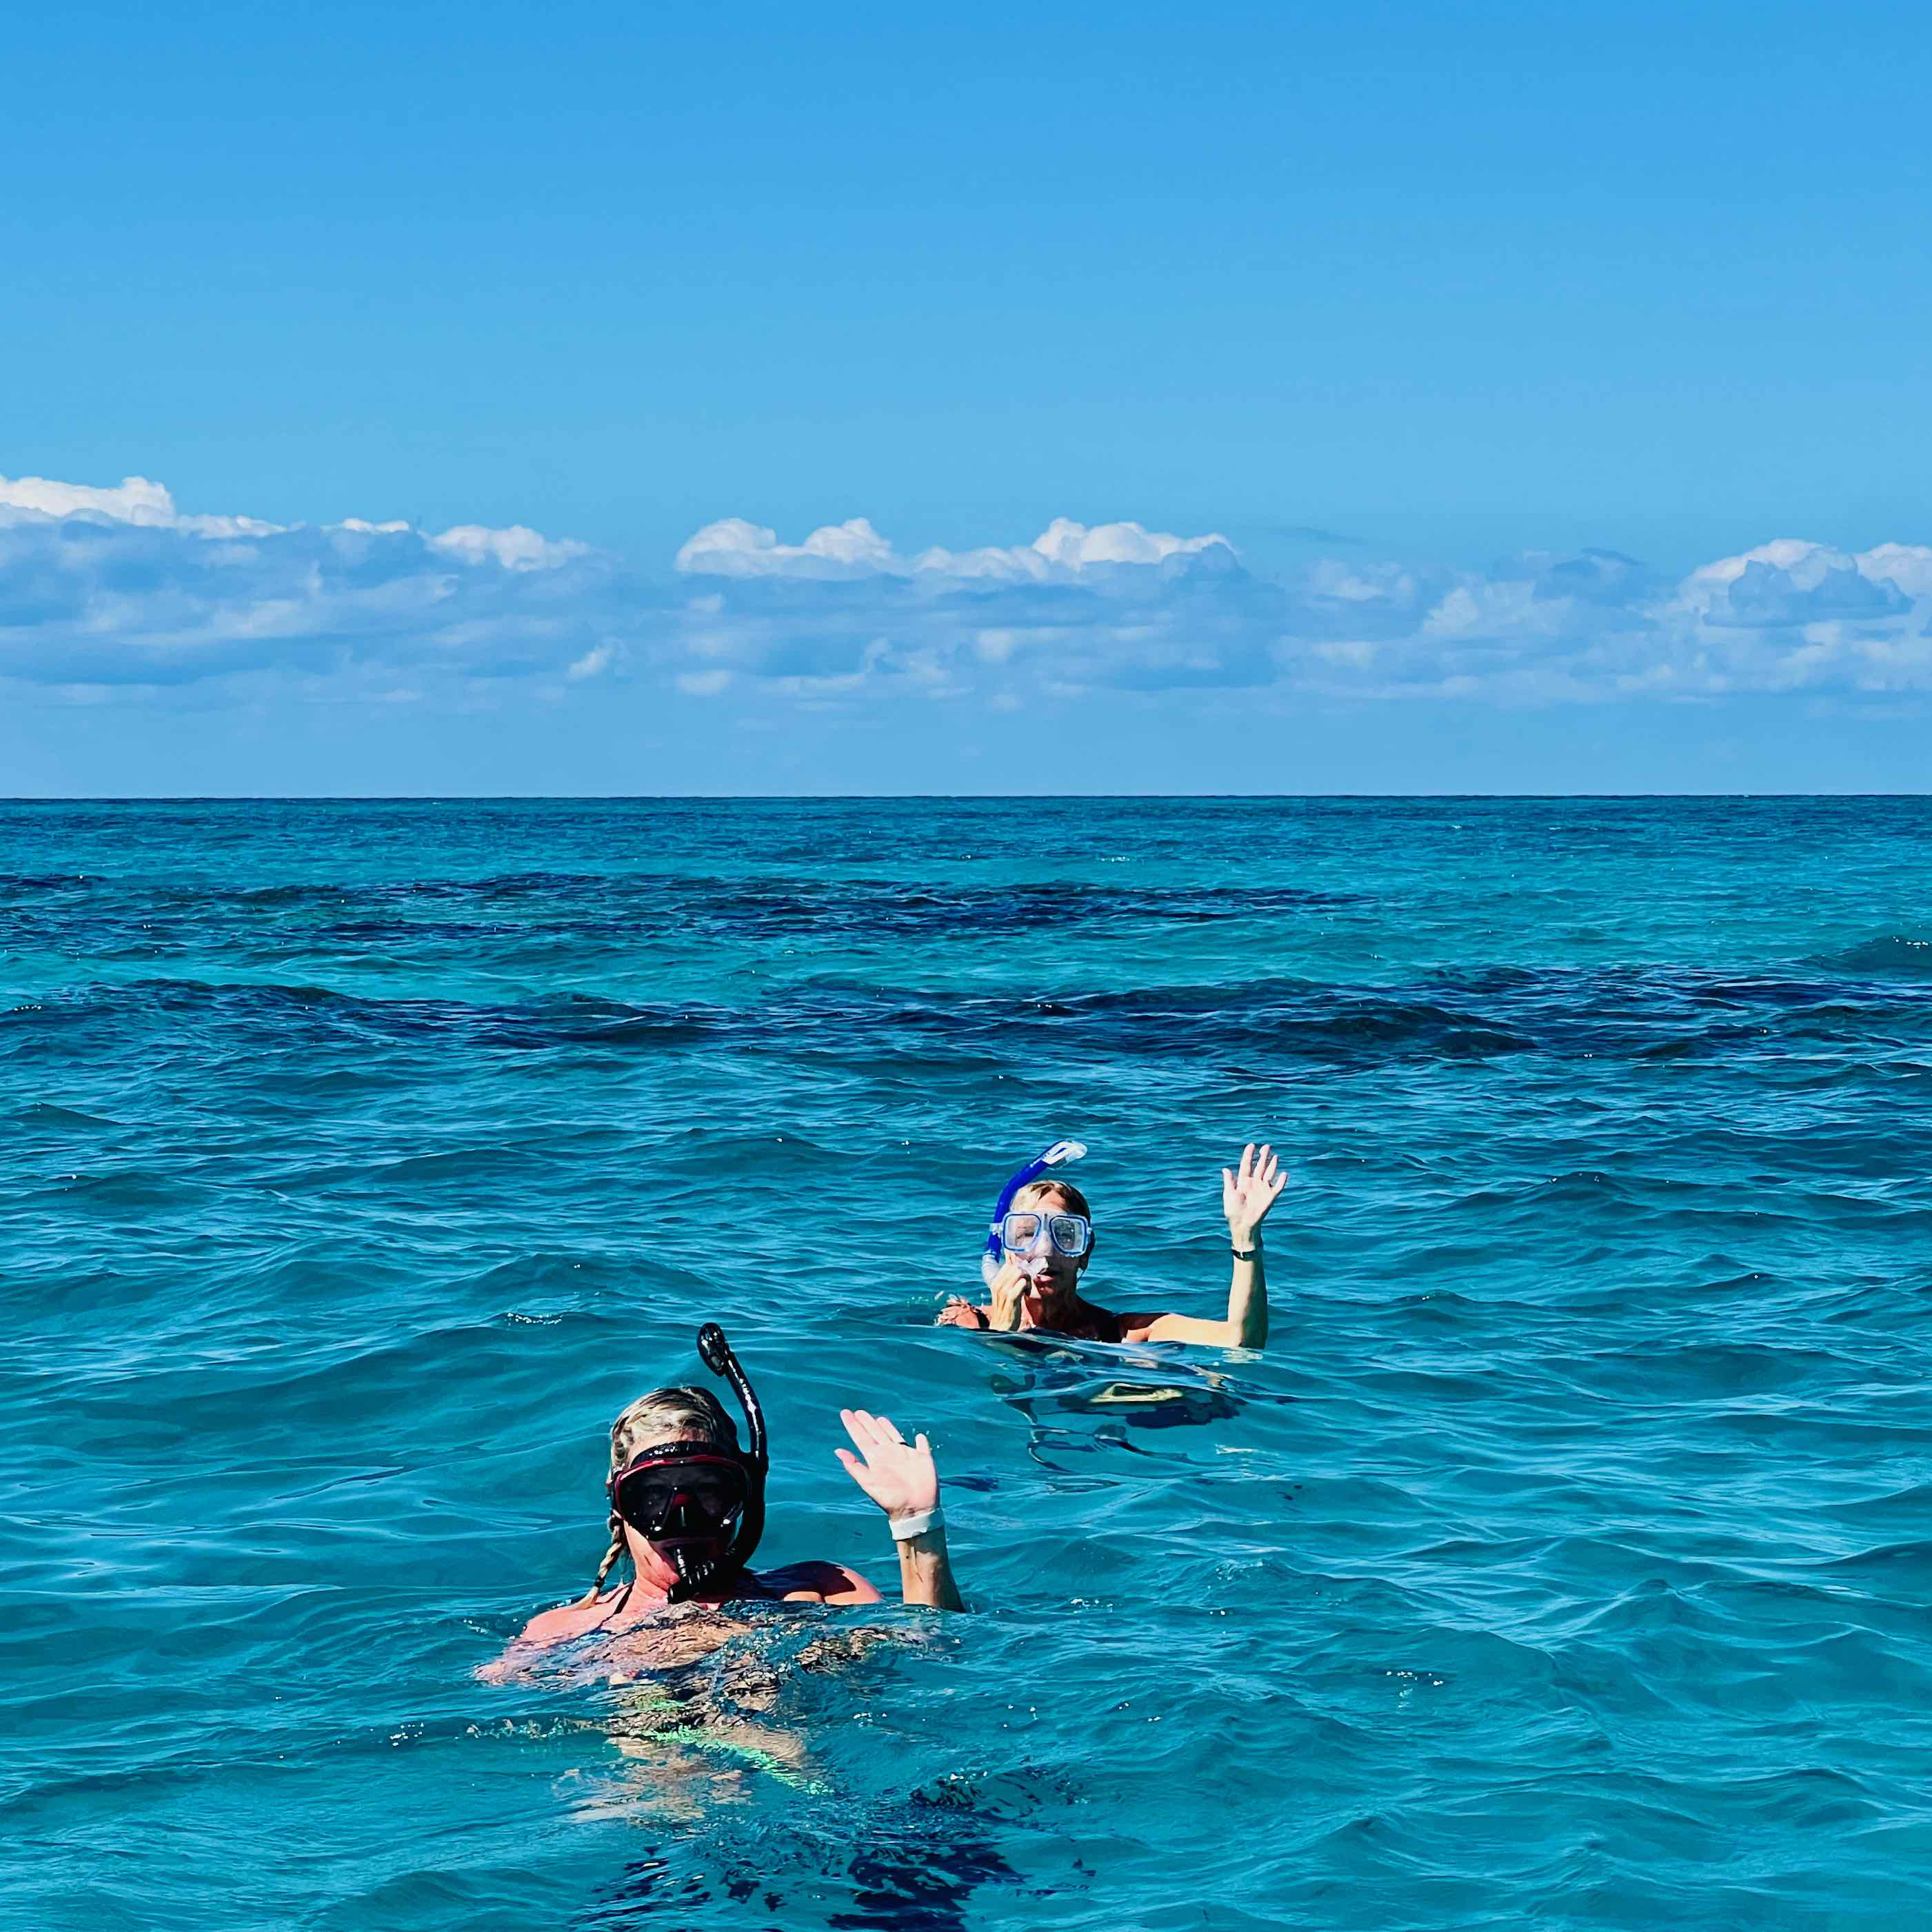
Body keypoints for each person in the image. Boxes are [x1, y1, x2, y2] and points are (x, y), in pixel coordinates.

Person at [483, 1325, 963, 1681]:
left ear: (746, 1492)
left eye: (709, 1491)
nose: (683, 1518)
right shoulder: (561, 1633)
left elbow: (936, 1661)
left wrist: (917, 1525)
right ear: (618, 1505)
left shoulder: (821, 1591)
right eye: (653, 1497)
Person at [937, 1142, 1285, 1347]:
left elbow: (1243, 1341)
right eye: (1026, 1234)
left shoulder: (1122, 1333)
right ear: (1007, 1248)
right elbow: (980, 1403)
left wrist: (1245, 1237)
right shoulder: (968, 1322)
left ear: (1085, 1252)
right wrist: (1003, 1333)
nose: (1045, 1251)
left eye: (1065, 1235)